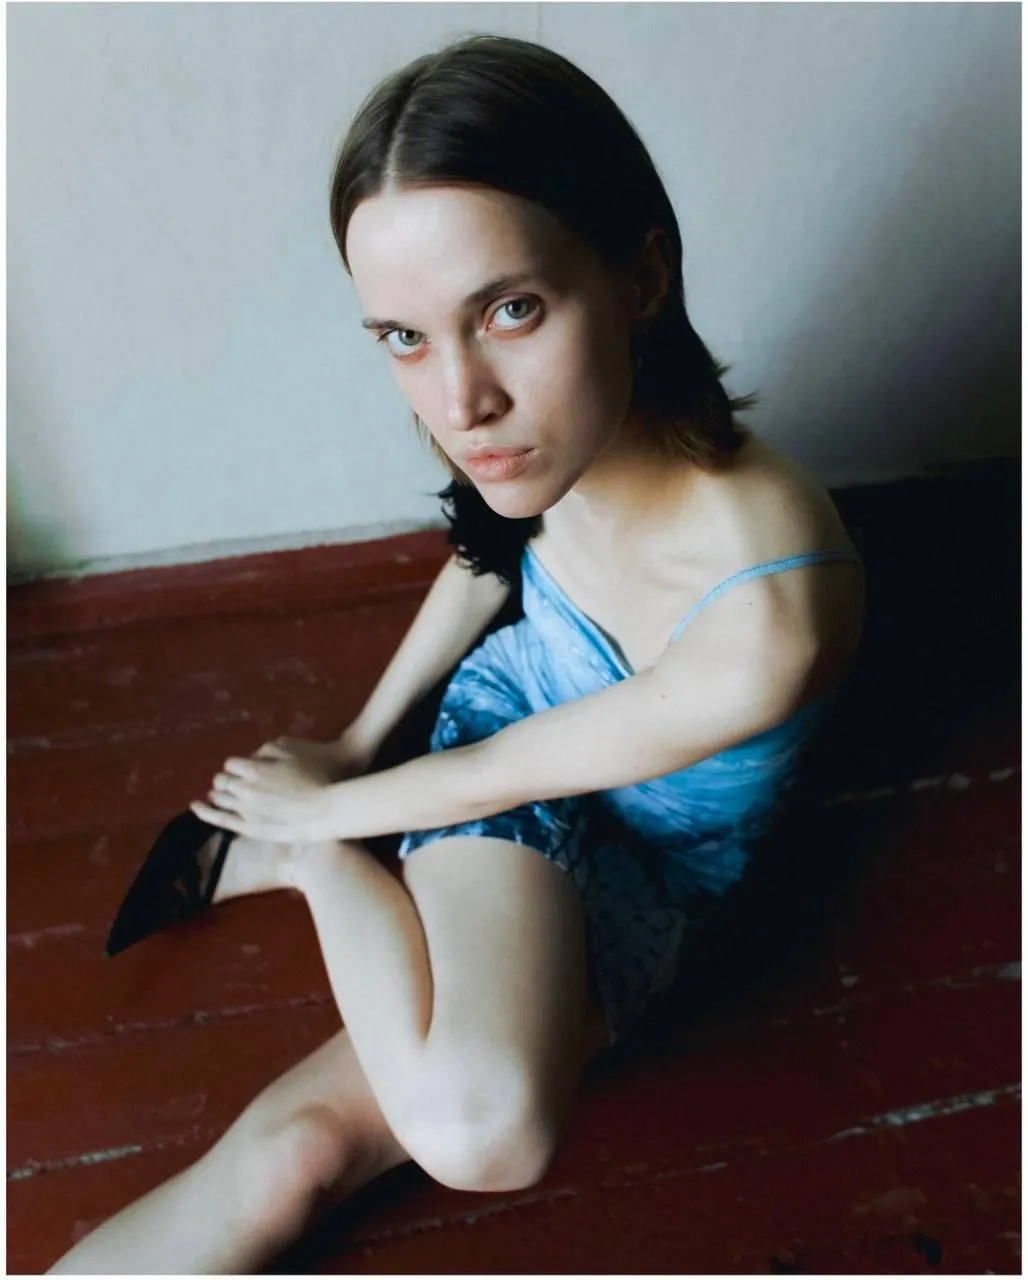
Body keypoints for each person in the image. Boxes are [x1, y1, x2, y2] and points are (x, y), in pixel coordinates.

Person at [53, 33, 864, 1273]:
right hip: (497, 764)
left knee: (339, 1143)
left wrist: (331, 813)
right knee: (466, 1120)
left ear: (641, 274)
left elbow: (525, 767)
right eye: (402, 338)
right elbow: (492, 556)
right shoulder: (551, 436)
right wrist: (361, 736)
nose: (459, 401)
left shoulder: (768, 609)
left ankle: (312, 861)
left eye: (510, 310)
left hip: (632, 864)